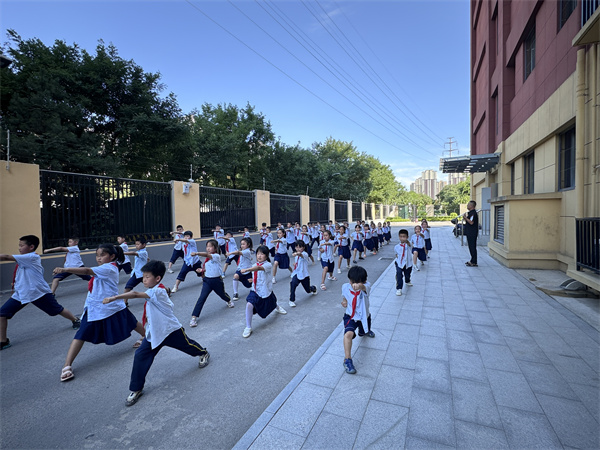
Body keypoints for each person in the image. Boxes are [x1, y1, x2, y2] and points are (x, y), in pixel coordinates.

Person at [103, 260, 210, 406]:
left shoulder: (157, 291)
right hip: (154, 333)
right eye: (143, 277)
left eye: (147, 277)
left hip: (170, 330)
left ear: (157, 278)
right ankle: (136, 388)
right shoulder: (154, 290)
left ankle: (203, 353)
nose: (144, 280)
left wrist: (114, 298)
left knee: (188, 345)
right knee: (140, 356)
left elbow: (135, 294)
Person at [57, 243, 145, 382]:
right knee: (81, 334)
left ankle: (147, 337)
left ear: (112, 256)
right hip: (95, 306)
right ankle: (67, 365)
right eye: (97, 255)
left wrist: (65, 269)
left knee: (132, 322)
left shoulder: (109, 268)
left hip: (110, 304)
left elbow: (86, 271)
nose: (98, 258)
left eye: (102, 255)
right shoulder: (103, 268)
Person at [0, 235, 81, 351]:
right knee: (2, 313)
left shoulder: (32, 257)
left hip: (38, 292)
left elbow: (6, 257)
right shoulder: (23, 259)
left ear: (31, 247)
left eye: (22, 245)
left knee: (57, 310)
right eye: (19, 245)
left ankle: (75, 319)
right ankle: (3, 341)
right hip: (22, 294)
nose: (19, 248)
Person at [239, 245, 287, 338]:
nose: (259, 256)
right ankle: (248, 327)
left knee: (272, 301)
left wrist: (247, 269)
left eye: (262, 254)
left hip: (265, 289)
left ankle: (277, 307)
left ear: (266, 255)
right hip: (255, 290)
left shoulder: (267, 265)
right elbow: (256, 273)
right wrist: (252, 280)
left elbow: (258, 268)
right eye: (258, 254)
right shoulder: (254, 265)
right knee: (249, 304)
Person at [189, 239, 233, 327]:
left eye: (210, 246)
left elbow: (207, 255)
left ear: (215, 248)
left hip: (217, 281)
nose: (208, 248)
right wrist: (201, 270)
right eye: (207, 246)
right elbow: (208, 268)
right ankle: (194, 317)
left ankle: (228, 300)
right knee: (202, 298)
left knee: (222, 294)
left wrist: (197, 253)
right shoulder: (207, 260)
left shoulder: (216, 256)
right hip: (207, 281)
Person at [341, 266, 373, 374]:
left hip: (364, 316)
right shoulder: (345, 286)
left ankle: (365, 331)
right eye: (352, 281)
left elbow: (364, 287)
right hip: (351, 316)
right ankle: (347, 360)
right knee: (348, 334)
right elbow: (345, 296)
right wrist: (344, 301)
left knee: (363, 333)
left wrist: (360, 285)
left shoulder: (366, 286)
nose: (353, 284)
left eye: (361, 281)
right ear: (350, 280)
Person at [289, 240, 317, 307]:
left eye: (300, 247)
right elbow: (299, 262)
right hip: (297, 273)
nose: (298, 249)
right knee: (293, 284)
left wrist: (296, 253)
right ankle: (291, 300)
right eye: (297, 247)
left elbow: (300, 255)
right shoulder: (296, 256)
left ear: (303, 247)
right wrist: (295, 264)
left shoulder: (305, 254)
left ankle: (313, 288)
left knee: (308, 290)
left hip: (304, 275)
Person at [394, 229, 413, 296]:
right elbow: (396, 254)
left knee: (407, 274)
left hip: (408, 263)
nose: (402, 238)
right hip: (399, 263)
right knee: (399, 274)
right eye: (401, 236)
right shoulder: (396, 246)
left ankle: (407, 280)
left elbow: (410, 244)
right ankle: (399, 288)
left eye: (404, 236)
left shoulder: (408, 245)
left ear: (407, 237)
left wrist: (407, 241)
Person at [463, 201, 479, 267]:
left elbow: (471, 222)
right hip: (470, 232)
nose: (467, 205)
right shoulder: (471, 213)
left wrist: (465, 218)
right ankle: (472, 260)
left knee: (472, 246)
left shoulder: (473, 213)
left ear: (471, 206)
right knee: (471, 246)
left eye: (468, 204)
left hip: (472, 233)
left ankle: (474, 261)